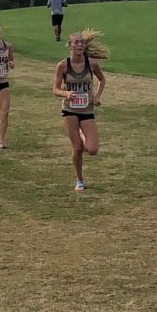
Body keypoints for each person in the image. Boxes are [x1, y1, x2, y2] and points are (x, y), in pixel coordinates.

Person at [52, 30, 108, 192]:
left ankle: (83, 136)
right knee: (77, 148)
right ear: (69, 45)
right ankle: (79, 180)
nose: (80, 45)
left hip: (87, 110)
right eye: (76, 42)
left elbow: (102, 79)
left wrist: (96, 96)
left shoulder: (92, 64)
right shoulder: (63, 66)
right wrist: (66, 93)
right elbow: (55, 89)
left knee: (92, 149)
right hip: (69, 110)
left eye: (82, 42)